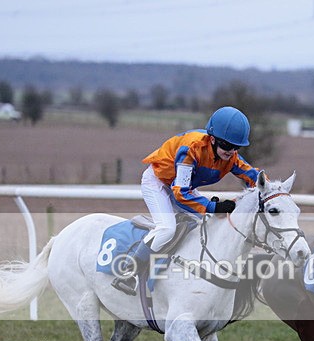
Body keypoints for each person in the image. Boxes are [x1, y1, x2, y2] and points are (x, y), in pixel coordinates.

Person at [111, 106, 265, 294]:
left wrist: (272, 194)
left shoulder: (231, 157)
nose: (231, 151)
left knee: (210, 223)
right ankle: (128, 271)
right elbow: (181, 194)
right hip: (158, 182)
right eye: (226, 145)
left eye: (236, 147)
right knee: (167, 229)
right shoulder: (191, 148)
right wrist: (212, 206)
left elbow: (255, 178)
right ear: (213, 139)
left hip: (181, 186)